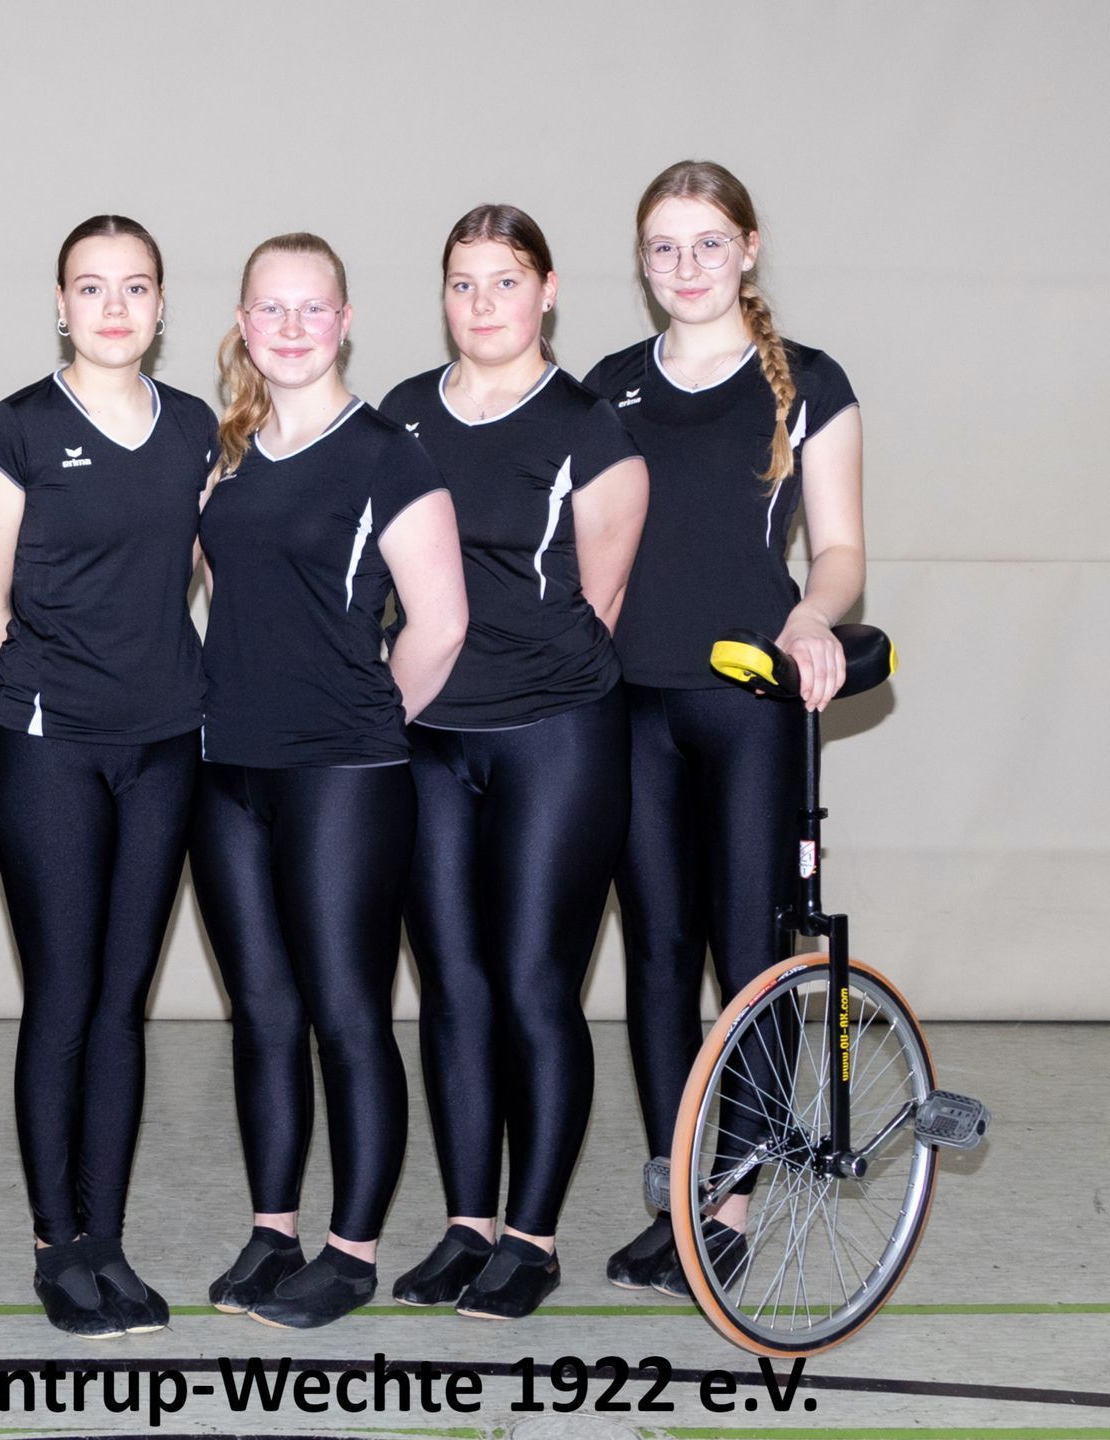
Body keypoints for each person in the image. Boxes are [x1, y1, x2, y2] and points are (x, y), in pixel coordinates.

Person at [584, 160, 865, 1296]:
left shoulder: (809, 382)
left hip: (747, 703)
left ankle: (732, 1204)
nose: (686, 266)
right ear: (642, 262)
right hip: (628, 703)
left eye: (708, 243)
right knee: (656, 955)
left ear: (748, 249)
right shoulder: (609, 386)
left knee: (747, 954)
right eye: (664, 247)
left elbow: (839, 549)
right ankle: (679, 1196)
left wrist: (810, 615)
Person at [192, 232, 468, 1330]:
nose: (292, 328)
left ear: (345, 322)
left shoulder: (388, 455)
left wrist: (362, 724)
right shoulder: (227, 454)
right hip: (227, 769)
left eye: (314, 308)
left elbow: (442, 623)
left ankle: (351, 1253)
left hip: (343, 773)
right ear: (244, 323)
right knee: (262, 1012)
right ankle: (274, 1232)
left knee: (348, 1013)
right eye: (272, 308)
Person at [380, 205, 647, 1320]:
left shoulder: (590, 430)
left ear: (547, 292)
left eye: (504, 281)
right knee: (451, 987)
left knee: (536, 985)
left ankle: (531, 1239)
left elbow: (601, 603)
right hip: (429, 743)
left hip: (555, 737)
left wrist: (519, 690)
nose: (482, 302)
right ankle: (467, 1226)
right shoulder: (399, 416)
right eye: (462, 282)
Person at [0, 215, 216, 1340]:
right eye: (92, 287)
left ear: (162, 305)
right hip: (48, 749)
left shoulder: (198, 429)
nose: (115, 307)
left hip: (164, 748)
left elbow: (196, 571)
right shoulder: (14, 431)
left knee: (122, 1002)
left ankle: (106, 1239)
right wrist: (27, 725)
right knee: (63, 996)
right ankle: (55, 1246)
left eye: (136, 286)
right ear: (59, 306)